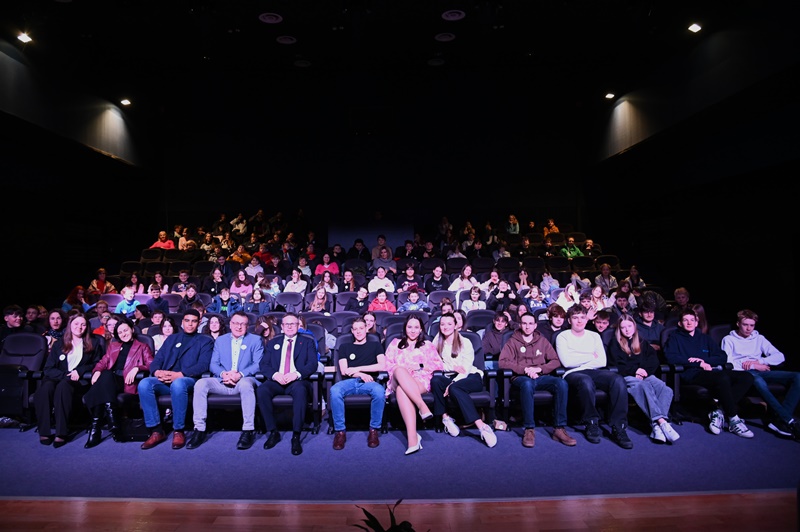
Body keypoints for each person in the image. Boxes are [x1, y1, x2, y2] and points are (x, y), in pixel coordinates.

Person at [664, 308, 756, 438]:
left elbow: (722, 357)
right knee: (722, 377)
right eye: (685, 320)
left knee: (747, 377)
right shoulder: (674, 337)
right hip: (690, 374)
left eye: (692, 320)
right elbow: (671, 358)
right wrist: (698, 364)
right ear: (680, 323)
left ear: (697, 322)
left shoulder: (704, 338)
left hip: (709, 371)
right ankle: (733, 419)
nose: (689, 323)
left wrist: (705, 361)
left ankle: (719, 411)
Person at [556, 304, 633, 449]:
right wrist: (591, 356)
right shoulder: (563, 336)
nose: (579, 321)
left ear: (587, 319)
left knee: (617, 380)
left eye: (582, 317)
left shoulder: (594, 336)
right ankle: (591, 422)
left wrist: (577, 357)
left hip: (594, 370)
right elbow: (567, 362)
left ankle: (619, 426)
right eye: (575, 318)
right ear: (569, 320)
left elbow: (602, 361)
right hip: (572, 373)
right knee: (585, 381)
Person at [138, 309, 214, 450]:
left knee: (178, 384)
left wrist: (180, 374)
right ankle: (156, 431)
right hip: (166, 378)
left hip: (188, 379)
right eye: (187, 320)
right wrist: (157, 371)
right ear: (182, 322)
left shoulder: (205, 340)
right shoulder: (172, 339)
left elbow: (204, 365)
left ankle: (178, 430)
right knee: (144, 384)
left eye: (194, 321)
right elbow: (157, 360)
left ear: (199, 323)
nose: (190, 324)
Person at [187, 311, 265, 450]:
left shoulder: (255, 340)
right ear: (230, 324)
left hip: (244, 379)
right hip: (223, 380)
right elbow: (213, 364)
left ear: (247, 326)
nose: (239, 327)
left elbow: (258, 364)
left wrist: (239, 374)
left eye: (243, 324)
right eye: (236, 323)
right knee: (201, 383)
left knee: (246, 384)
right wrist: (224, 374)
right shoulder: (220, 340)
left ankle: (248, 430)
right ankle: (199, 429)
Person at [498, 312, 576, 448]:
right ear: (520, 325)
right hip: (521, 377)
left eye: (530, 324)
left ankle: (559, 428)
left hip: (540, 376)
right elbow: (503, 362)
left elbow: (555, 361)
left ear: (535, 325)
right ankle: (529, 429)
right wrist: (525, 370)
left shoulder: (542, 340)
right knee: (527, 384)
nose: (527, 326)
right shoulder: (513, 340)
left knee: (561, 383)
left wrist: (539, 369)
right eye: (524, 323)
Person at [721, 309, 800, 440]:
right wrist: (752, 366)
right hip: (744, 374)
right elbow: (728, 363)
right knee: (758, 381)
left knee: (797, 376)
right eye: (745, 324)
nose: (748, 328)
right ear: (738, 324)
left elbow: (780, 356)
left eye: (752, 325)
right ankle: (788, 420)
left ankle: (779, 419)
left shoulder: (759, 338)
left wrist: (760, 362)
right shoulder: (729, 339)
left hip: (761, 370)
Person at [82, 316, 153, 448]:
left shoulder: (143, 346)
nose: (123, 334)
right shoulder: (113, 346)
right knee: (106, 374)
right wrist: (97, 371)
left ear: (132, 329)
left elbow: (151, 364)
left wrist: (138, 368)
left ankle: (96, 428)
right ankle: (111, 422)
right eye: (120, 333)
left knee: (105, 377)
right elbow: (102, 362)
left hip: (126, 382)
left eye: (125, 330)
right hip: (110, 381)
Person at [607, 315, 680, 444]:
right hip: (627, 375)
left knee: (666, 389)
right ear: (619, 329)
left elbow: (653, 360)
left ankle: (656, 426)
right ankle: (662, 422)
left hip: (645, 375)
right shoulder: (615, 343)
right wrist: (634, 371)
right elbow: (616, 365)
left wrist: (643, 370)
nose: (627, 330)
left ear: (634, 326)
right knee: (643, 386)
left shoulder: (641, 341)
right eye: (623, 327)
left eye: (629, 326)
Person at [34, 313, 103, 447]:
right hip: (59, 377)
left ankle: (61, 432)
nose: (79, 327)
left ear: (87, 327)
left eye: (83, 324)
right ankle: (44, 431)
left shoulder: (93, 342)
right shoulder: (59, 344)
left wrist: (80, 371)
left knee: (63, 386)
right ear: (70, 325)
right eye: (76, 324)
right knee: (46, 388)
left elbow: (97, 363)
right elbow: (48, 368)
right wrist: (66, 375)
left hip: (79, 382)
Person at [430, 313, 497, 447]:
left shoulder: (465, 342)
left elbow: (465, 369)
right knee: (435, 381)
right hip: (451, 376)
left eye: (449, 324)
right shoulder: (437, 341)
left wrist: (452, 383)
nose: (445, 327)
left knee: (455, 388)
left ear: (456, 325)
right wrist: (452, 368)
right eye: (442, 324)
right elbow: (434, 363)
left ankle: (481, 426)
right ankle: (446, 418)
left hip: (471, 376)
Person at [257, 312, 319, 456]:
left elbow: (312, 364)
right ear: (282, 327)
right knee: (262, 390)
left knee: (300, 391)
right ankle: (273, 432)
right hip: (277, 380)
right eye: (287, 324)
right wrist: (275, 375)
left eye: (293, 324)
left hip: (297, 381)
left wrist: (296, 374)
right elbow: (264, 364)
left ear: (298, 326)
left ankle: (296, 435)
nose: (290, 327)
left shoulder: (307, 342)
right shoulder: (273, 342)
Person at [384, 314, 442, 455]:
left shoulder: (427, 345)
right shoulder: (395, 343)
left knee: (402, 390)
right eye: (410, 327)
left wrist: (419, 366)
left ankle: (413, 440)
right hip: (396, 379)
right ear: (405, 328)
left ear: (421, 329)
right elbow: (387, 365)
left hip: (419, 380)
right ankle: (422, 406)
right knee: (399, 370)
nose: (413, 330)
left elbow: (438, 365)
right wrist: (403, 369)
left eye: (416, 327)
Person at [329, 316, 386, 450]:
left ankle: (374, 430)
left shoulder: (375, 345)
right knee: (334, 390)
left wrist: (357, 369)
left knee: (379, 391)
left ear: (366, 329)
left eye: (361, 328)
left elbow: (382, 365)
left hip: (369, 382)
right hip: (348, 381)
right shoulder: (344, 346)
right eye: (355, 329)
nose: (358, 331)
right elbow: (344, 370)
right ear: (352, 331)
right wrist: (360, 374)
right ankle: (340, 432)